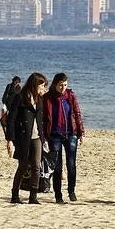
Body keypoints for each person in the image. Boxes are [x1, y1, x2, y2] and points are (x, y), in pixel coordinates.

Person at [5, 72, 48, 204]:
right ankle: (15, 195)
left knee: (36, 166)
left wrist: (45, 137)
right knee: (23, 166)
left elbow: (43, 119)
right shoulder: (20, 98)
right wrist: (10, 140)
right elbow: (11, 120)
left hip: (37, 137)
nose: (44, 89)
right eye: (42, 86)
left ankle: (33, 197)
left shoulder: (40, 99)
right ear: (34, 85)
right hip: (23, 137)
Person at [43, 73, 85, 204]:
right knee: (57, 166)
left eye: (65, 85)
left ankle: (71, 191)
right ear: (55, 84)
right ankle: (58, 194)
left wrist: (81, 132)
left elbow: (77, 114)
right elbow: (44, 118)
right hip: (54, 135)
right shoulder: (47, 98)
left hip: (71, 133)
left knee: (71, 164)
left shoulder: (70, 96)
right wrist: (44, 135)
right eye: (60, 85)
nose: (63, 88)